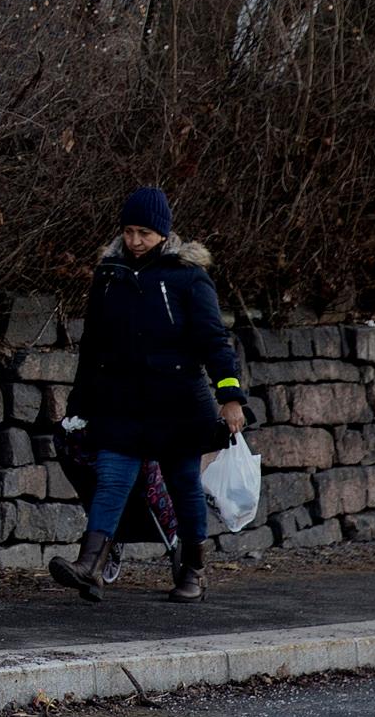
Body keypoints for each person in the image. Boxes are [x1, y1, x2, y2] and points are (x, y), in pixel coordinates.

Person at [49, 186, 244, 603]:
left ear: (163, 234)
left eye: (145, 233)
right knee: (112, 480)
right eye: (129, 231)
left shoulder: (189, 277)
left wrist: (231, 397)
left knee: (183, 485)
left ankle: (192, 569)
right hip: (121, 403)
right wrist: (78, 406)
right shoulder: (109, 275)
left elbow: (214, 341)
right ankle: (90, 566)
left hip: (178, 403)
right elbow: (93, 347)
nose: (135, 241)